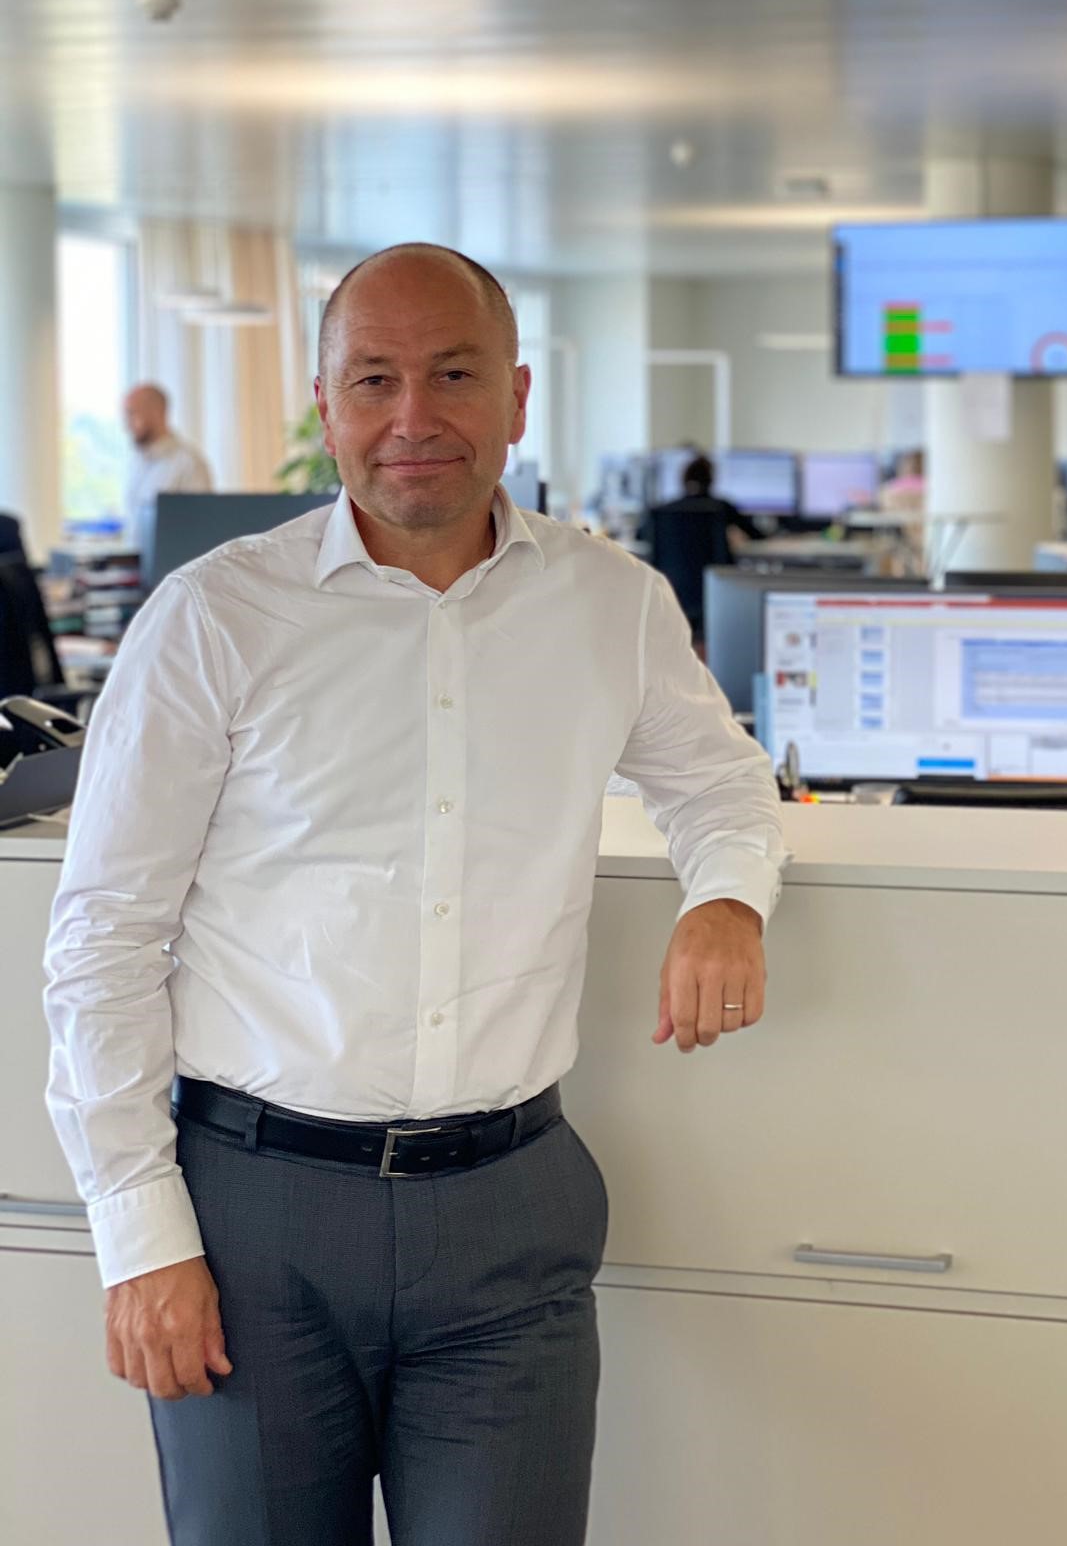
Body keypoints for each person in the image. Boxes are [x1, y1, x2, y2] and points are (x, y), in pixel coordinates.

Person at [45, 244, 785, 1546]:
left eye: (454, 374)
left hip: (511, 1213)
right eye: (374, 379)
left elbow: (722, 785)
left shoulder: (610, 603)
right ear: (325, 405)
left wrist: (726, 898)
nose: (413, 417)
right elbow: (105, 937)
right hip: (253, 1216)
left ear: (518, 394)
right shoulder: (216, 617)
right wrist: (142, 1237)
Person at [645, 453, 764, 642]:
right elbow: (757, 535)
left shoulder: (662, 510)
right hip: (715, 589)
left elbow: (641, 536)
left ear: (683, 479)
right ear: (711, 480)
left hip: (672, 589)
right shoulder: (721, 507)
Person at [123, 384, 214, 524]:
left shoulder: (189, 464)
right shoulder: (135, 463)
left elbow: (201, 524)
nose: (127, 425)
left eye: (132, 414)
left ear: (156, 412)